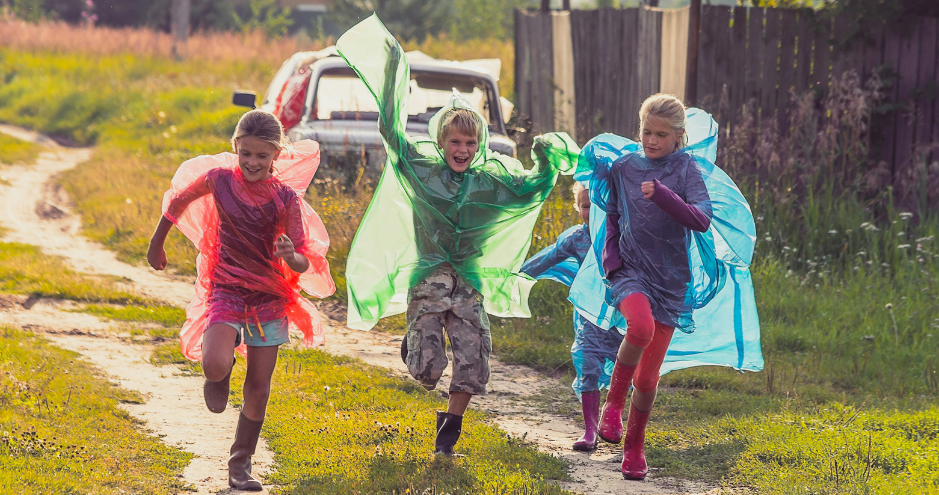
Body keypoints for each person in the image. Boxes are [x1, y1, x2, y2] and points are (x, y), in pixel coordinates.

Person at [335, 15, 573, 457]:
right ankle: (414, 344)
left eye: (469, 143)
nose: (462, 150)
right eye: (454, 142)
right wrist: (391, 75)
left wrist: (545, 158)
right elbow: (391, 134)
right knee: (426, 370)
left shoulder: (491, 183)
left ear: (478, 144)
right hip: (429, 282)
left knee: (474, 362)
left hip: (469, 286)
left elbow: (533, 189)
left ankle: (450, 431)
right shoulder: (423, 174)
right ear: (442, 142)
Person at [536, 94, 762, 481]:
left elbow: (701, 220)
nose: (651, 140)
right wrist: (611, 263)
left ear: (678, 136)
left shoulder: (687, 170)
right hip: (630, 272)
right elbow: (611, 215)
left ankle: (634, 447)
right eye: (646, 132)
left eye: (661, 134)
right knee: (638, 328)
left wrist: (664, 195)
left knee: (647, 378)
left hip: (672, 283)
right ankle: (612, 407)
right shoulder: (625, 167)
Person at [147, 109, 334, 490]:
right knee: (214, 364)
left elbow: (302, 260)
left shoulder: (285, 200)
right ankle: (221, 371)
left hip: (269, 296)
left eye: (261, 156)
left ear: (275, 156)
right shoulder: (218, 181)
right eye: (246, 153)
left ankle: (240, 464)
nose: (252, 162)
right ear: (236, 148)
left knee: (259, 387)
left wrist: (288, 255)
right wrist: (157, 242)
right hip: (227, 289)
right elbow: (178, 201)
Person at [519, 182, 624, 452]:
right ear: (578, 209)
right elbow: (549, 257)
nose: (592, 210)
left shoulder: (625, 236)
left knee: (625, 373)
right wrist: (518, 275)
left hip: (622, 320)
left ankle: (615, 419)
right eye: (586, 205)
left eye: (598, 205)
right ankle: (589, 431)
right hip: (589, 320)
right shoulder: (577, 238)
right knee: (587, 366)